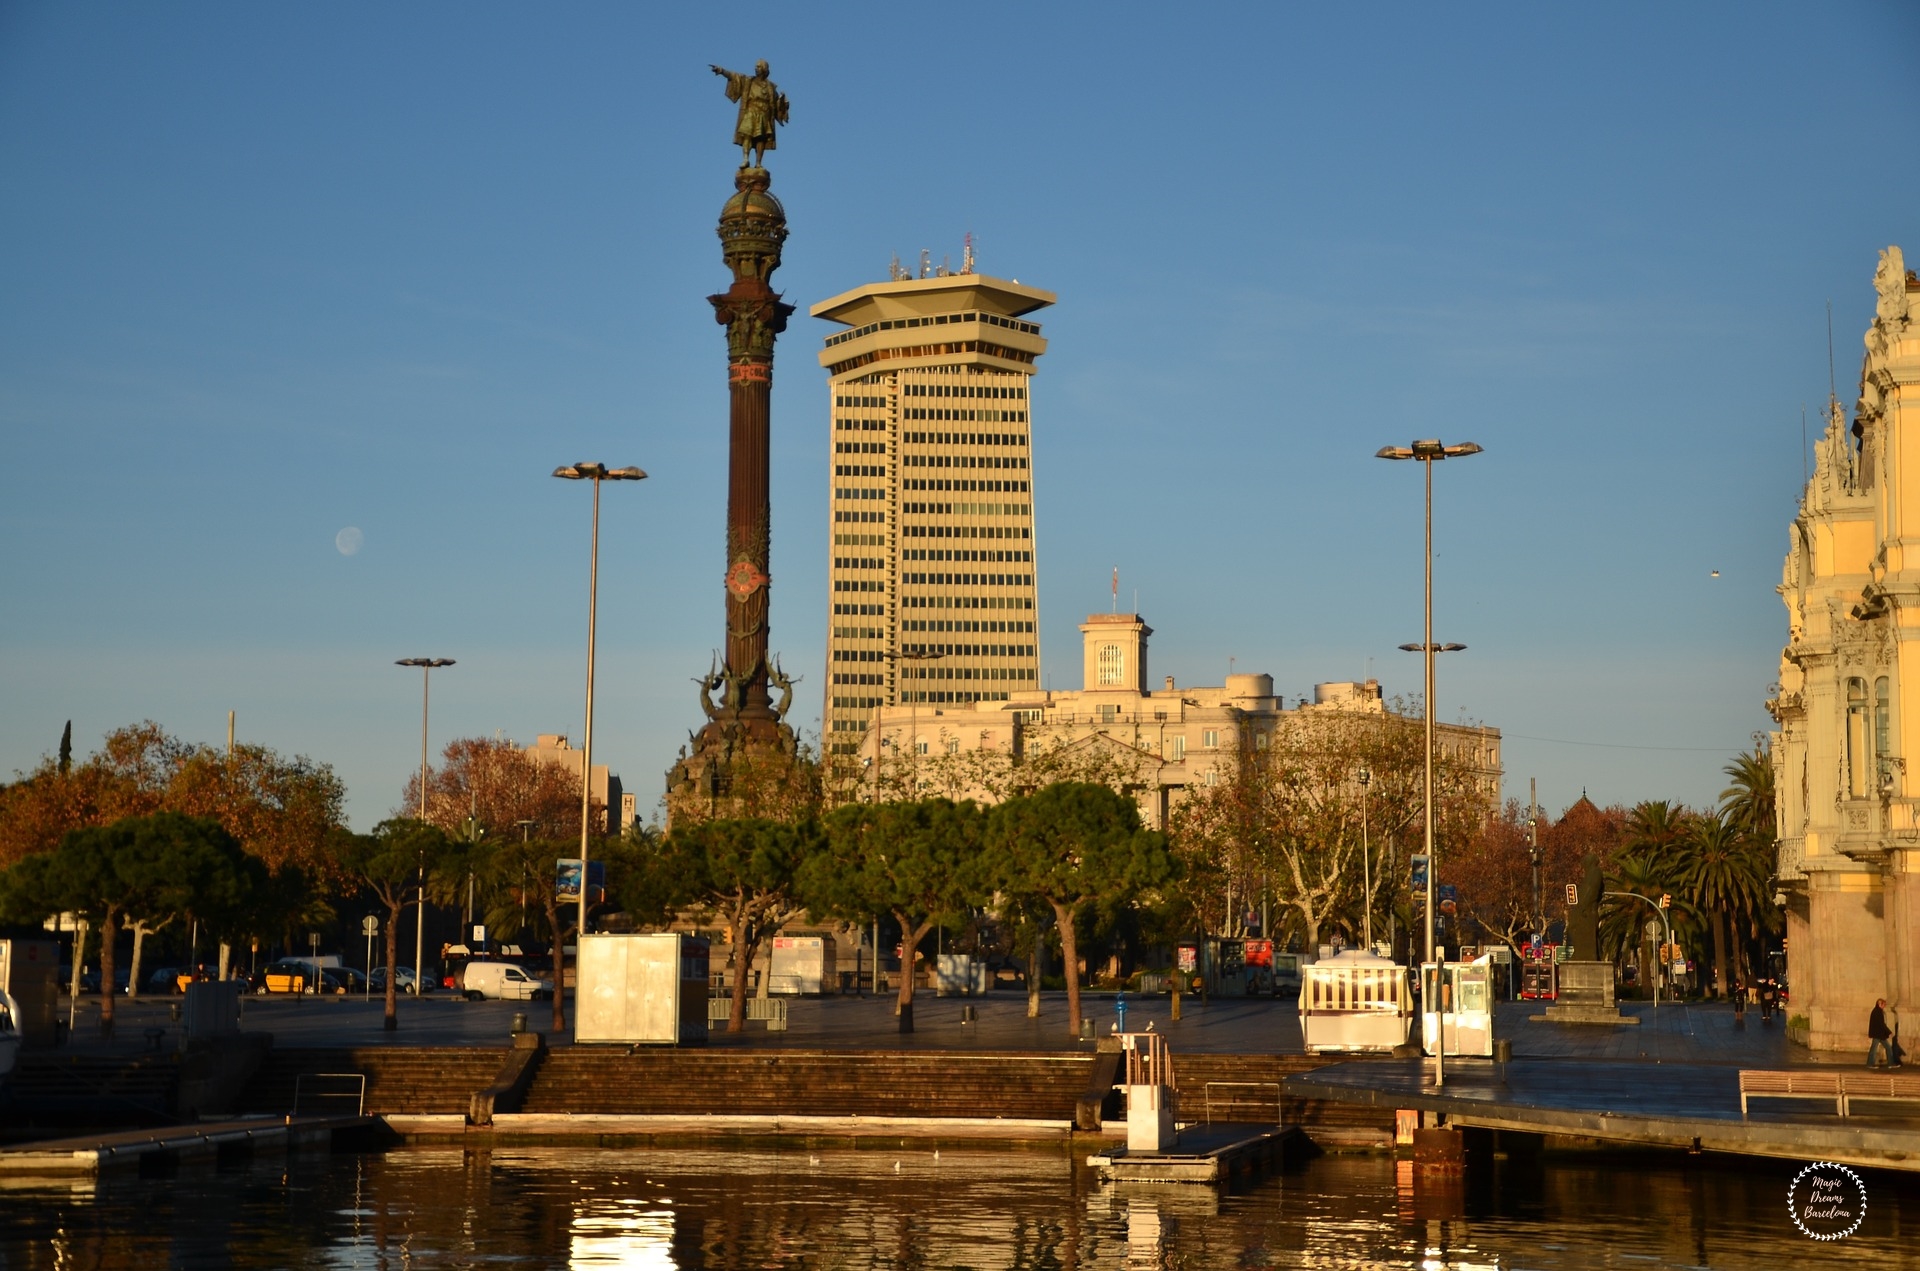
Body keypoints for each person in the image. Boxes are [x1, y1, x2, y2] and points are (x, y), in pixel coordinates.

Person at [1868, 998, 1893, 1068]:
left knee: (1887, 1048)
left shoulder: (1876, 1011)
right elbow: (1881, 1024)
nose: (1884, 1006)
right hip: (1878, 1034)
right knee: (1874, 1049)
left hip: (1879, 1034)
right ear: (1880, 1004)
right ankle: (1870, 1064)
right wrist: (1889, 1032)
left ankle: (1891, 1063)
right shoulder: (1877, 1012)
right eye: (1883, 1004)